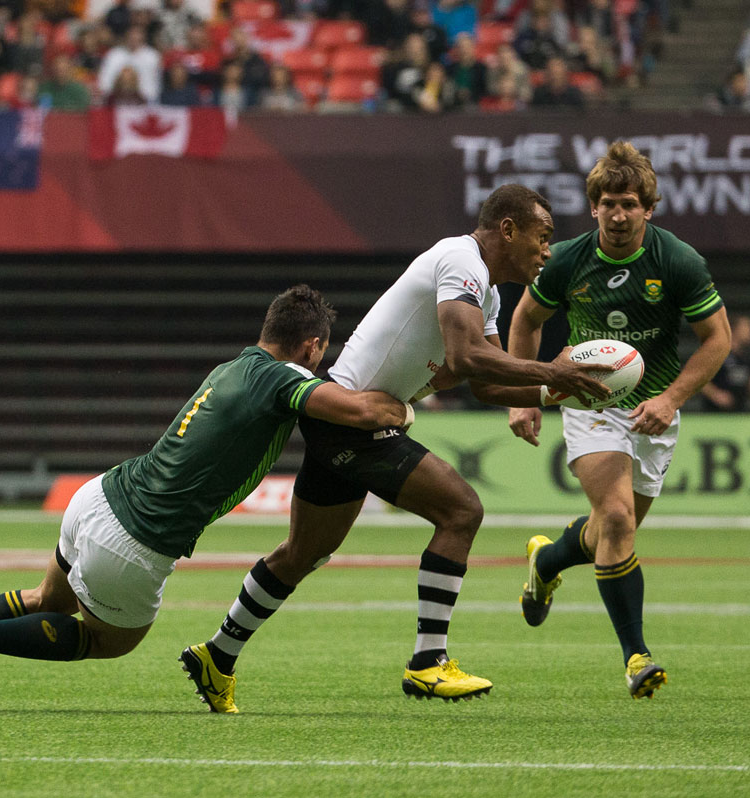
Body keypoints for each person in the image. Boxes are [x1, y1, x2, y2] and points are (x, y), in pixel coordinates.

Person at [180, 184, 612, 713]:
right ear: (508, 229)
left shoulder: (489, 293)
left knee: (303, 553)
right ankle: (428, 664)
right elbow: (467, 353)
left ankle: (216, 656)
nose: (547, 250)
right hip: (353, 419)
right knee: (461, 511)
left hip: (345, 419)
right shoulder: (461, 260)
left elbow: (486, 383)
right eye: (542, 237)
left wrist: (554, 388)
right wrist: (551, 369)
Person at [0, 286, 412, 710]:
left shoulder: (233, 366)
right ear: (312, 347)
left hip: (98, 496)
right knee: (111, 640)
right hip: (135, 539)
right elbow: (363, 414)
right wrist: (405, 411)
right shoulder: (283, 377)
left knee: (47, 600)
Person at [506, 142, 732, 698]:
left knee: (609, 530)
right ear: (593, 207)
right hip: (591, 406)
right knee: (616, 518)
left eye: (630, 203)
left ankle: (548, 559)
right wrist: (525, 394)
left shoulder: (677, 261)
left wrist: (671, 399)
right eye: (607, 202)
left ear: (648, 208)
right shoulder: (566, 260)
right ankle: (636, 656)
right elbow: (526, 318)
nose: (618, 214)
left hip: (654, 413)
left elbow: (717, 339)